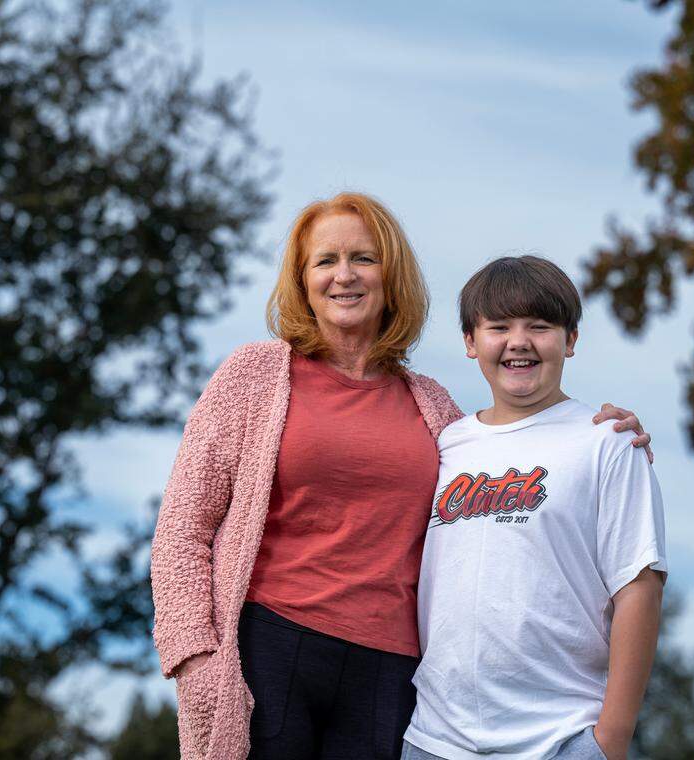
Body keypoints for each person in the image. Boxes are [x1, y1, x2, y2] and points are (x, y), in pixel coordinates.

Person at [150, 193, 654, 760]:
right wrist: (193, 654)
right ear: (302, 279)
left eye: (364, 259)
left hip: (389, 673)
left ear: (392, 277)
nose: (345, 276)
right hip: (272, 649)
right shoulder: (254, 377)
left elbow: (513, 459)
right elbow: (182, 530)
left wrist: (611, 431)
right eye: (326, 261)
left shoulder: (436, 409)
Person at [402, 256, 667, 760]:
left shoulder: (606, 443)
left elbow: (640, 589)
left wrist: (611, 740)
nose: (518, 341)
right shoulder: (445, 444)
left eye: (539, 326)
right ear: (469, 341)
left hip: (559, 738)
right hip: (434, 739)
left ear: (569, 340)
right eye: (498, 326)